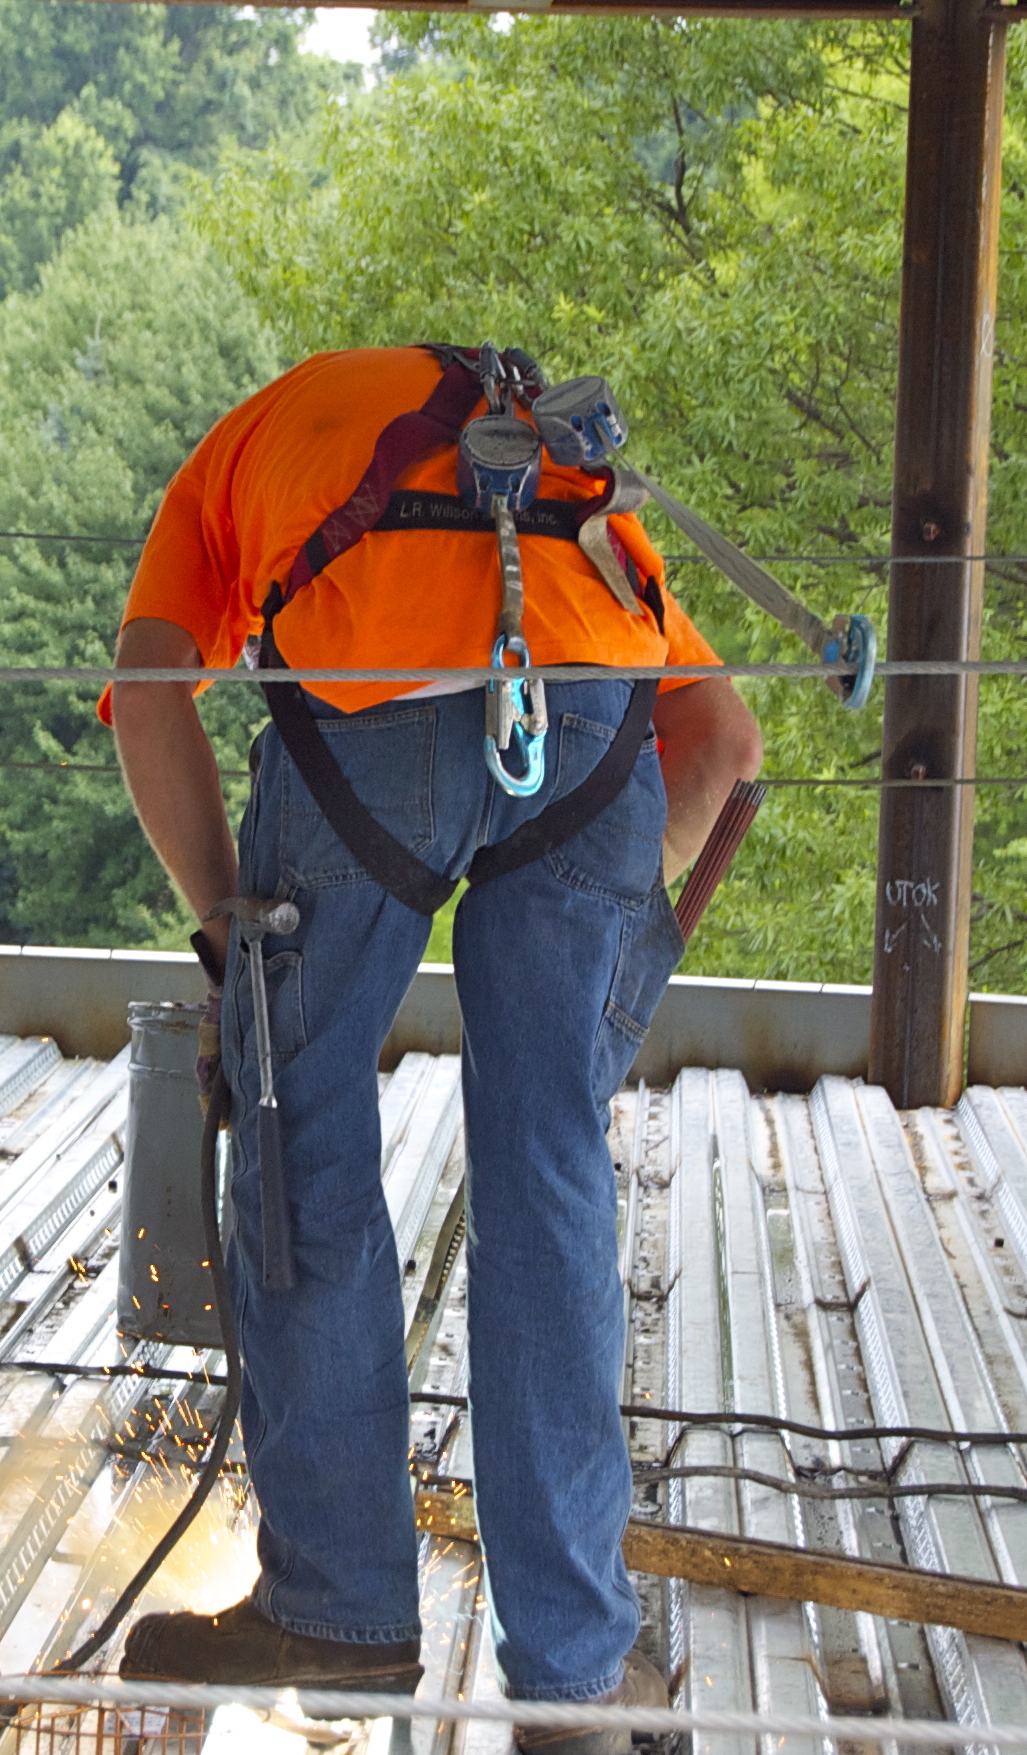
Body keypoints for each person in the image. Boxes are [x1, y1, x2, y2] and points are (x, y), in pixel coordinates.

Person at [99, 345, 763, 1754]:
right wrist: (616, 969)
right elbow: (720, 742)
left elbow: (151, 693)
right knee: (551, 1168)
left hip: (368, 727)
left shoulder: (238, 460)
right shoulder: (554, 478)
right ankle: (579, 1677)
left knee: (305, 1120)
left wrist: (235, 951)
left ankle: (340, 1621)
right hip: (588, 735)